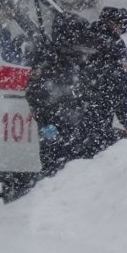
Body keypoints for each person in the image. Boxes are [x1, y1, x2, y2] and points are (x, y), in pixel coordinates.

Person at [26, 12, 96, 176]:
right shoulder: (51, 59)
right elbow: (35, 92)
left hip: (71, 124)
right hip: (58, 124)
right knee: (57, 169)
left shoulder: (76, 58)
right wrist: (45, 120)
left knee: (67, 170)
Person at [81, 6, 127, 158]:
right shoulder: (115, 45)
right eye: (123, 27)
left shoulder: (84, 37)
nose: (122, 32)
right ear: (114, 24)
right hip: (102, 107)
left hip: (74, 108)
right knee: (98, 153)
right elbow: (120, 85)